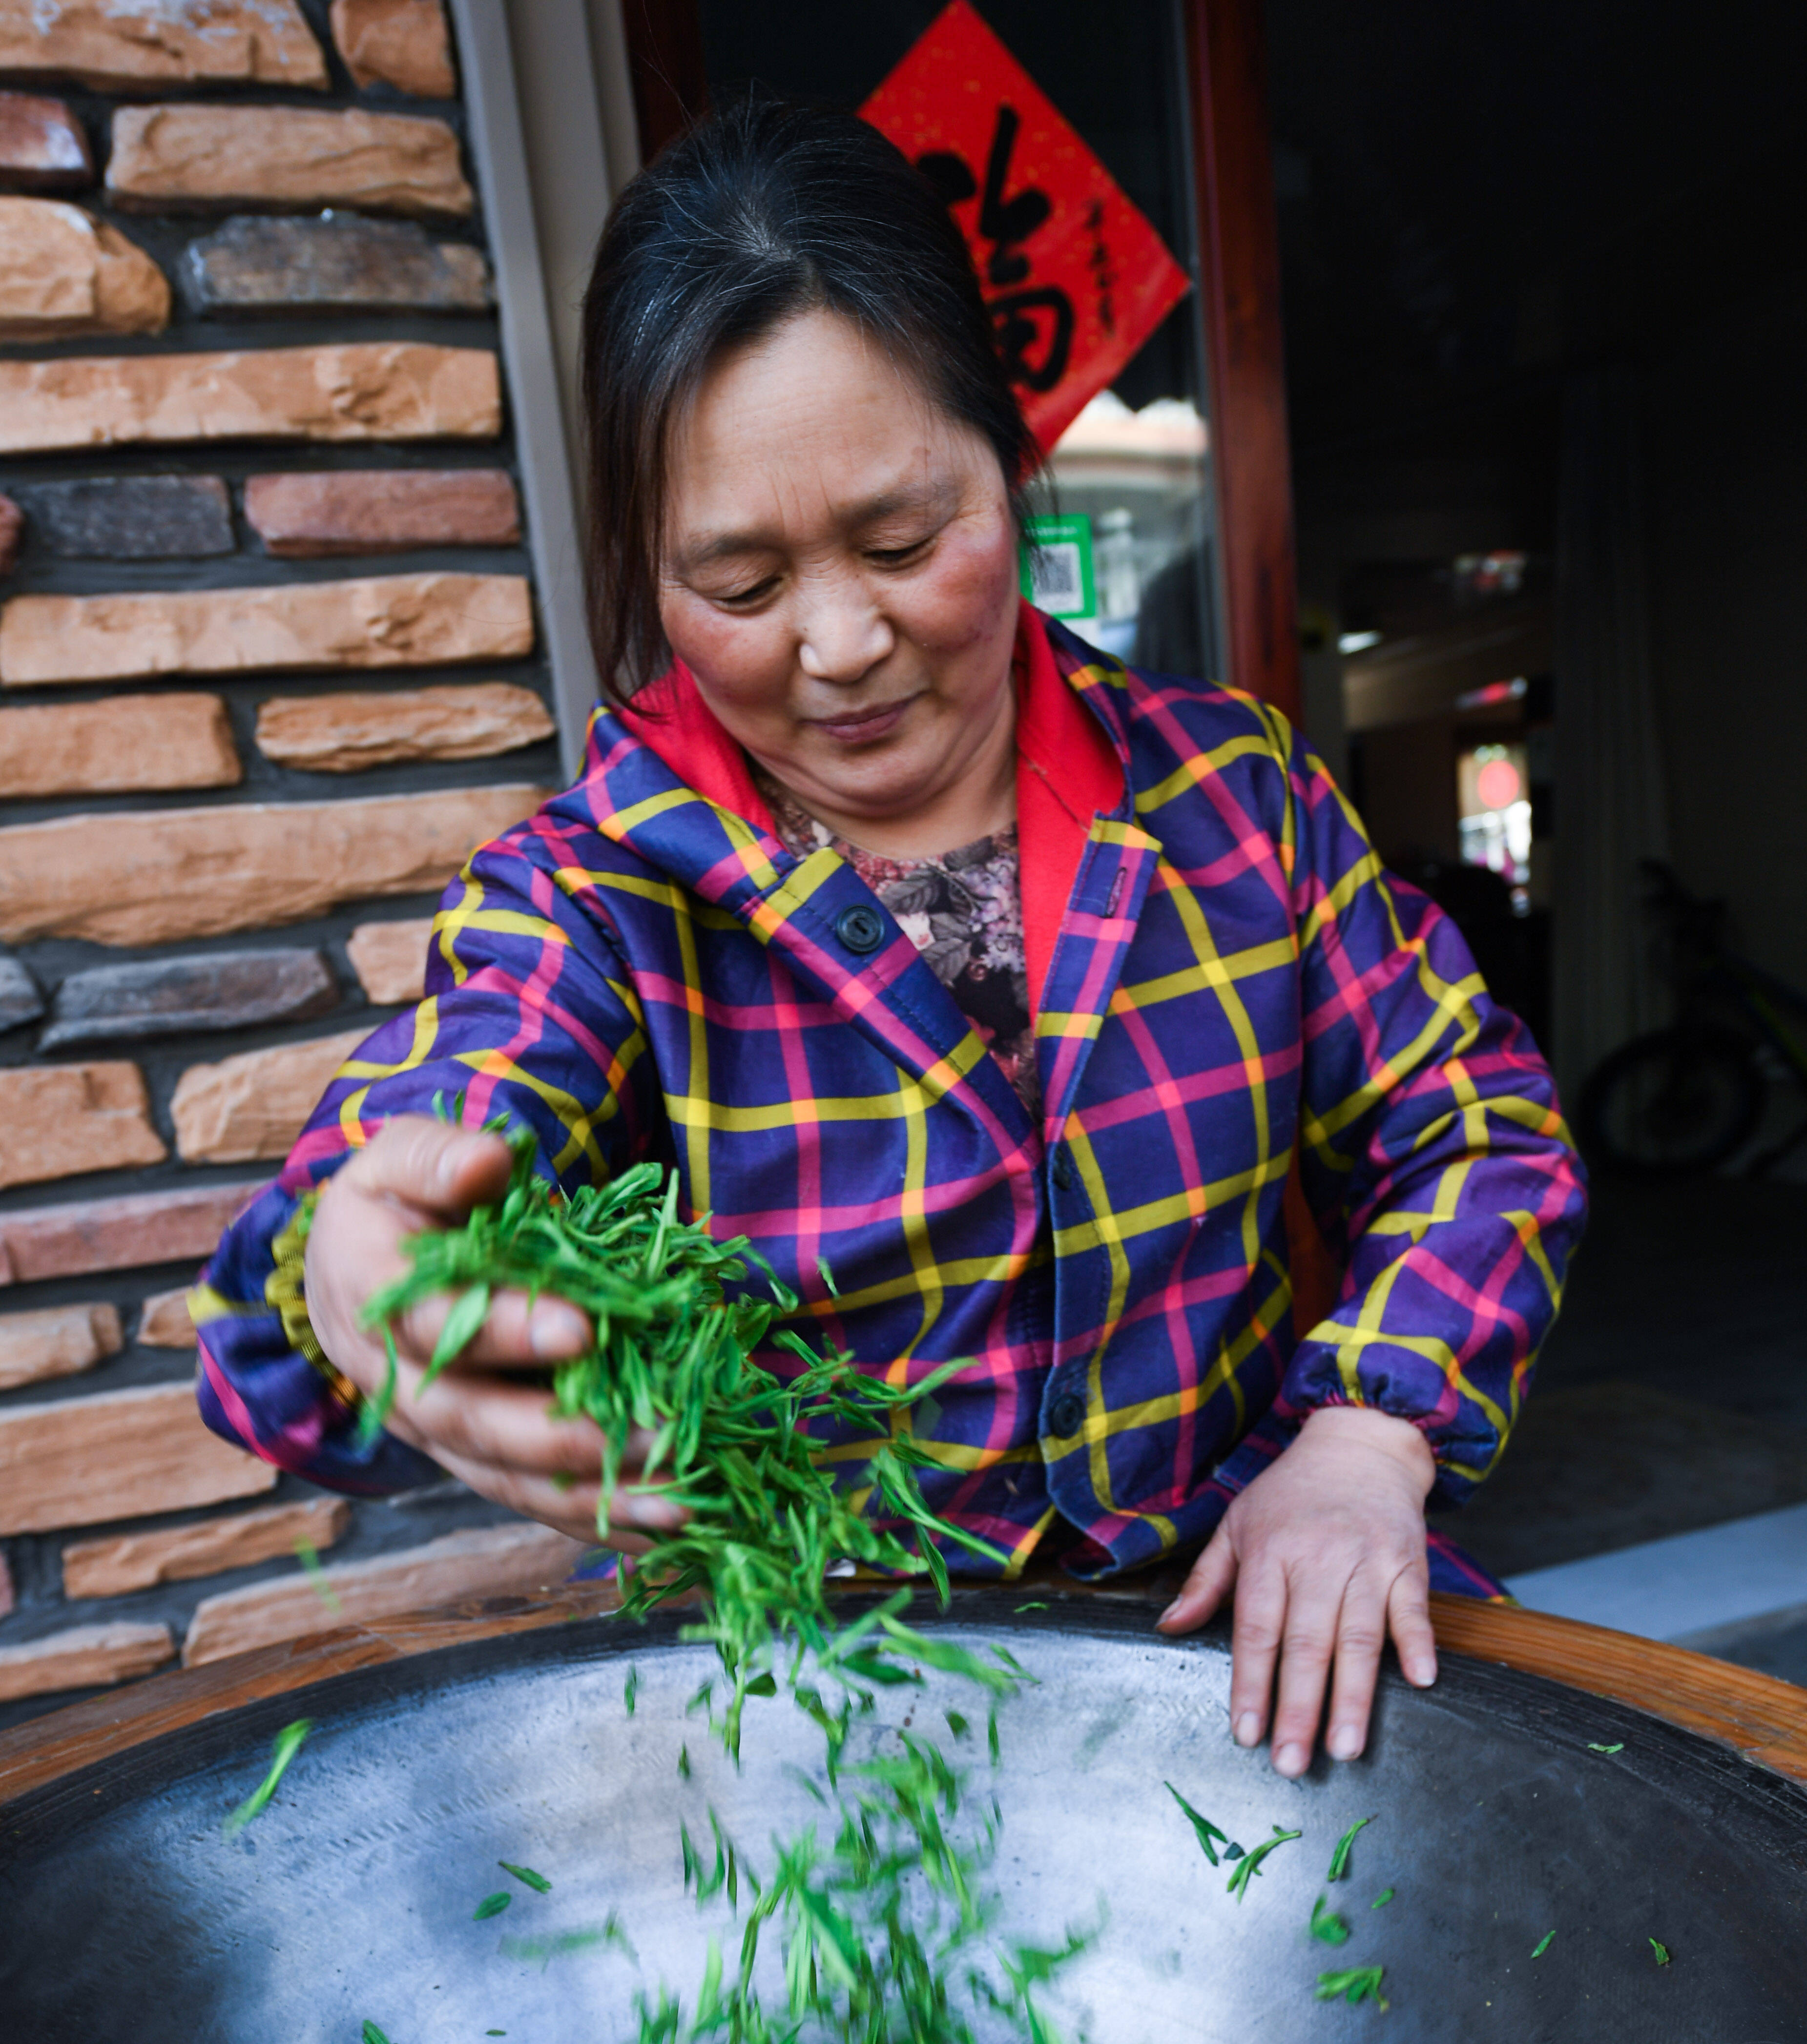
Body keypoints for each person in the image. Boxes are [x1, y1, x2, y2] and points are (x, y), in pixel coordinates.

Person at [195, 98, 1584, 1779]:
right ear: (645, 567)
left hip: (1221, 1641)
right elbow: (418, 1153)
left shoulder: (1241, 803)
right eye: (740, 582)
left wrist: (1368, 1432)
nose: (844, 643)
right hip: (812, 1717)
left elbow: (1479, 1126)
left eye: (905, 541)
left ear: (1011, 458)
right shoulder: (595, 904)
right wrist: (342, 1267)